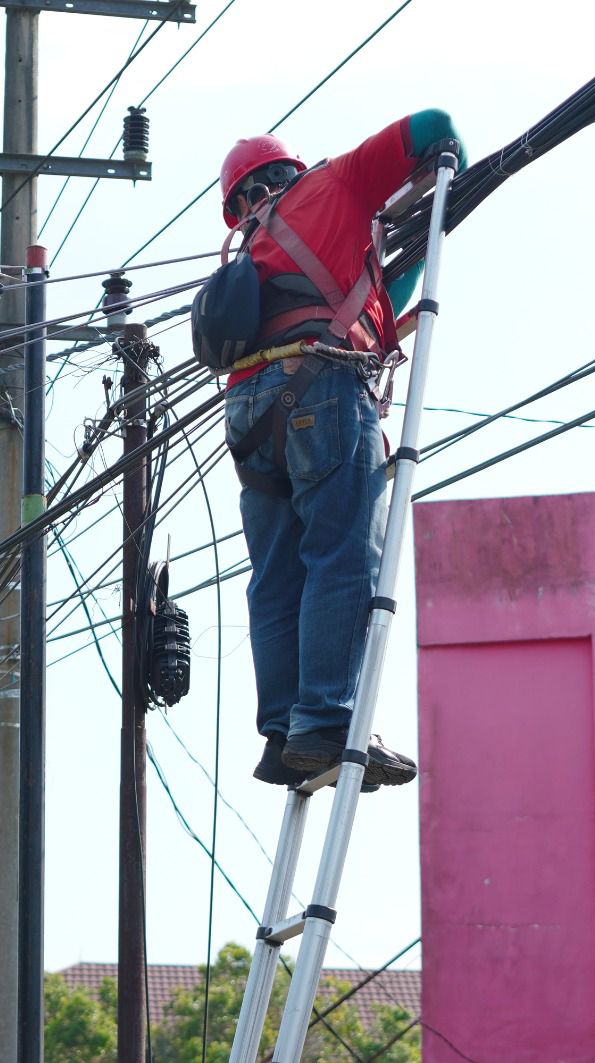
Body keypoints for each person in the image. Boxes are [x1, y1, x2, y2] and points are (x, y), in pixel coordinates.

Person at [217, 112, 462, 790]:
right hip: (321, 387)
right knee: (344, 553)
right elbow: (433, 126)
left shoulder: (250, 253)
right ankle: (325, 721)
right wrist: (454, 181)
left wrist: (404, 265)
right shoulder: (336, 185)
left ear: (237, 201)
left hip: (249, 414)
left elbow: (369, 300)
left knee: (276, 573)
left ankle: (283, 730)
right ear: (290, 171)